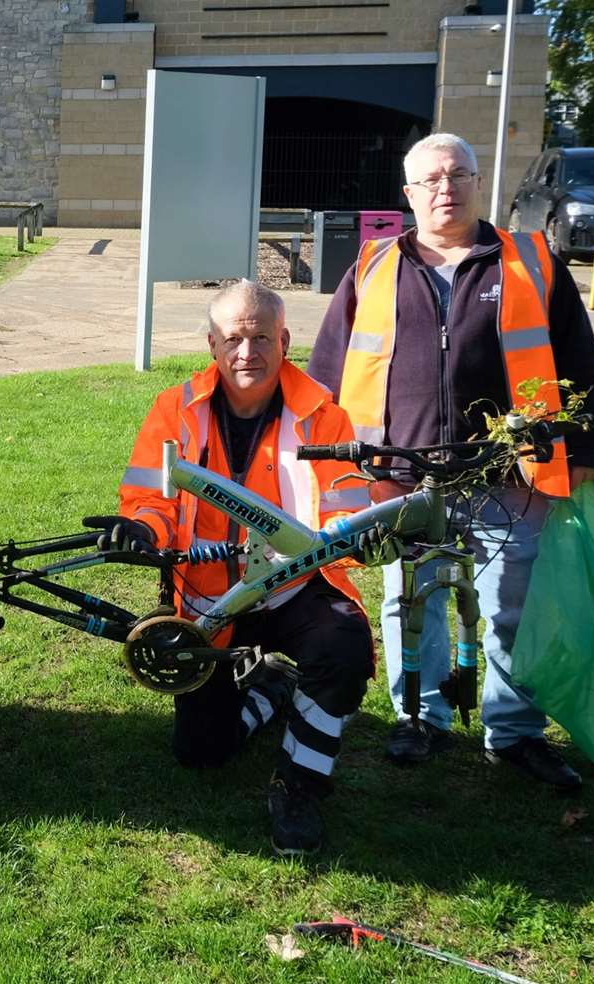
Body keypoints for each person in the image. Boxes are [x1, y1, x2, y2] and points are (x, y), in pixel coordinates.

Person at [307, 132, 594, 792]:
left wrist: (585, 448)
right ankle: (420, 717)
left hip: (510, 471)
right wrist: (329, 460)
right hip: (403, 472)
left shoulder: (530, 261)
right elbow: (326, 373)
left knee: (515, 607)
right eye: (432, 180)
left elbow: (579, 361)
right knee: (412, 602)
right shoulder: (372, 268)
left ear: (477, 183)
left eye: (459, 175)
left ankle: (515, 731)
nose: (447, 188)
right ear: (409, 194)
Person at [105, 280, 374, 856]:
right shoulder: (174, 408)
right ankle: (273, 689)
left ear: (285, 340)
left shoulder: (324, 415)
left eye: (259, 338)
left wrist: (360, 540)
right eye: (233, 338)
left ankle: (299, 785)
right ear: (211, 344)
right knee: (200, 752)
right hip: (209, 598)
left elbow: (346, 513)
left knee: (344, 646)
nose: (246, 352)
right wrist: (142, 529)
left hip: (295, 589)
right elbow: (150, 497)